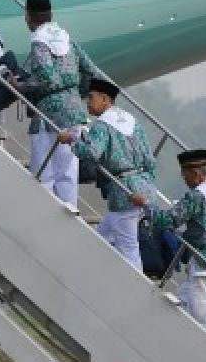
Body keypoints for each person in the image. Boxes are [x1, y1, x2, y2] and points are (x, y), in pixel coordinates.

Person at [134, 150, 206, 329]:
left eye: (184, 174)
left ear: (195, 174)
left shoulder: (197, 195)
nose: (183, 179)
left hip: (205, 267)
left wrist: (145, 204)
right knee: (183, 298)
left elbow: (167, 220)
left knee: (201, 325)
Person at [56, 78, 157, 271]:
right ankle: (83, 272)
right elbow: (151, 161)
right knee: (98, 239)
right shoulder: (132, 121)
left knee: (129, 249)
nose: (88, 101)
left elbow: (91, 153)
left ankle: (135, 290)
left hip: (124, 192)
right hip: (142, 187)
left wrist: (70, 140)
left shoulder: (101, 125)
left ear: (105, 99)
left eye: (91, 97)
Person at [15, 0, 102, 208]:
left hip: (48, 115)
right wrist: (77, 92)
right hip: (74, 111)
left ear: (29, 16)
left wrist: (20, 87)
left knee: (43, 171)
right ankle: (69, 213)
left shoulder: (39, 41)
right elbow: (92, 72)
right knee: (67, 170)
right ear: (50, 15)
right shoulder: (67, 39)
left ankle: (42, 213)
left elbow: (46, 79)